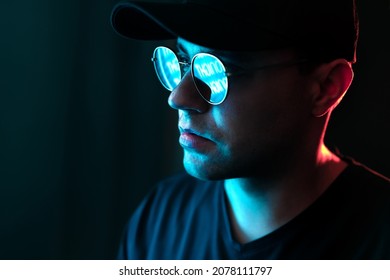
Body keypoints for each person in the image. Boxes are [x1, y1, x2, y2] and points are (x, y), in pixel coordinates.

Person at [110, 0, 390, 259]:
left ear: (326, 88)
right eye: (181, 61)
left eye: (215, 70)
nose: (178, 97)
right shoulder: (160, 219)